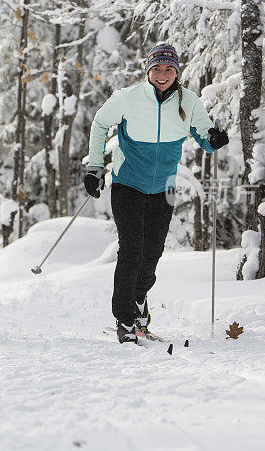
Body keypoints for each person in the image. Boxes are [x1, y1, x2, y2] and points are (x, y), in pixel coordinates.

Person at [83, 43, 229, 344]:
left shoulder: (188, 101)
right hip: (128, 186)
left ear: (177, 72)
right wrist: (95, 168)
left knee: (152, 254)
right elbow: (99, 124)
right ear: (148, 70)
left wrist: (215, 137)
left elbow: (205, 137)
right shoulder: (128, 98)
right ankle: (125, 319)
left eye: (169, 69)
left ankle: (138, 301)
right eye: (157, 68)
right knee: (131, 249)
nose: (163, 74)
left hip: (164, 189)